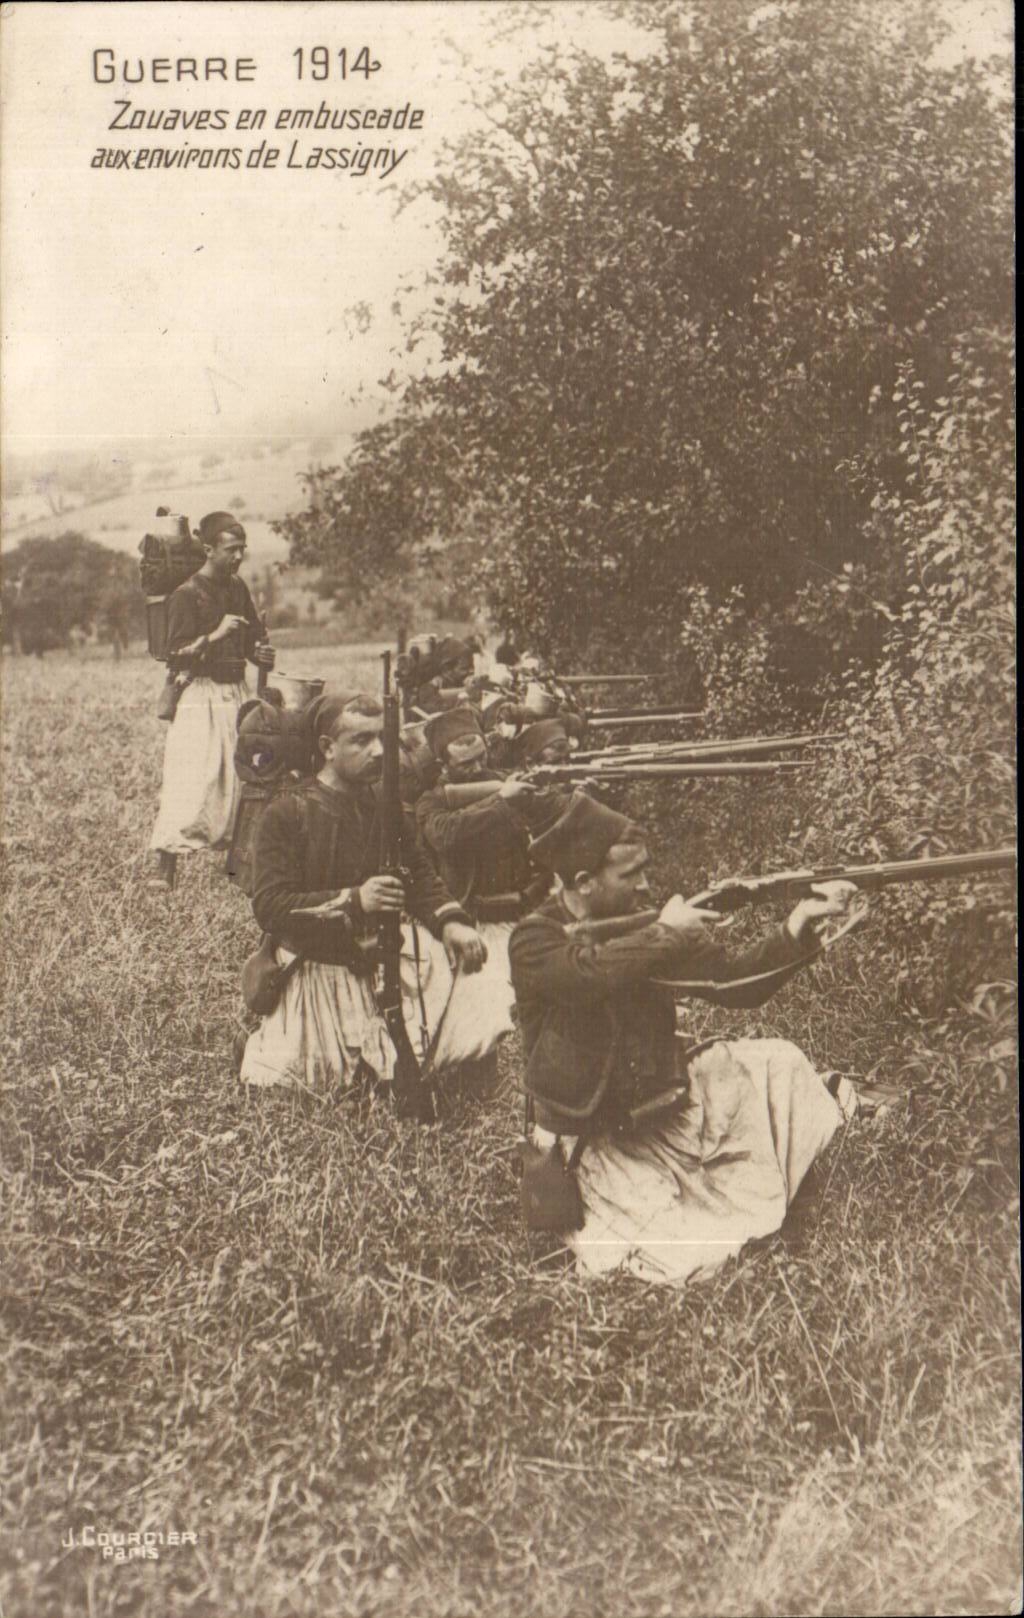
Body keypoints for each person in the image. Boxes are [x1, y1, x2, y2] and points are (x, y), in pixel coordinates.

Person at [508, 793, 860, 1286]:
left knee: (780, 1063)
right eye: (630, 876)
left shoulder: (653, 924)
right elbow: (584, 976)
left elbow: (736, 984)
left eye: (643, 871)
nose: (645, 885)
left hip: (664, 1106)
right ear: (584, 883)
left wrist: (797, 925)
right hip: (596, 1137)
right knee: (686, 1263)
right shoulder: (533, 940)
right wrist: (666, 934)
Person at [239, 691, 487, 1095]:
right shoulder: (286, 813)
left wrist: (451, 921)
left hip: (384, 956)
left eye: (382, 739)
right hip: (317, 967)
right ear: (327, 748)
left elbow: (418, 873)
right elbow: (270, 907)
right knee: (315, 1085)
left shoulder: (384, 805)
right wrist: (355, 899)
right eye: (361, 741)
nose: (378, 752)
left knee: (474, 1010)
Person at [415, 708, 566, 1093]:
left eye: (482, 757)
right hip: (474, 922)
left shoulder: (503, 783)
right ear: (443, 765)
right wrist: (503, 801)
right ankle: (479, 1086)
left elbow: (554, 813)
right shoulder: (432, 803)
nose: (478, 768)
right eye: (466, 764)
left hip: (523, 913)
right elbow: (446, 834)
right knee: (480, 1012)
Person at [148, 512, 274, 889]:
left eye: (242, 550)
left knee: (242, 779)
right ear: (209, 550)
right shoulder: (186, 595)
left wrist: (261, 654)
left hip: (237, 695)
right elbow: (175, 655)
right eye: (231, 549)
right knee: (192, 778)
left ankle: (237, 865)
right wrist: (216, 635)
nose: (238, 557)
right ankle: (165, 864)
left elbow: (254, 639)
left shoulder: (238, 589)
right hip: (200, 696)